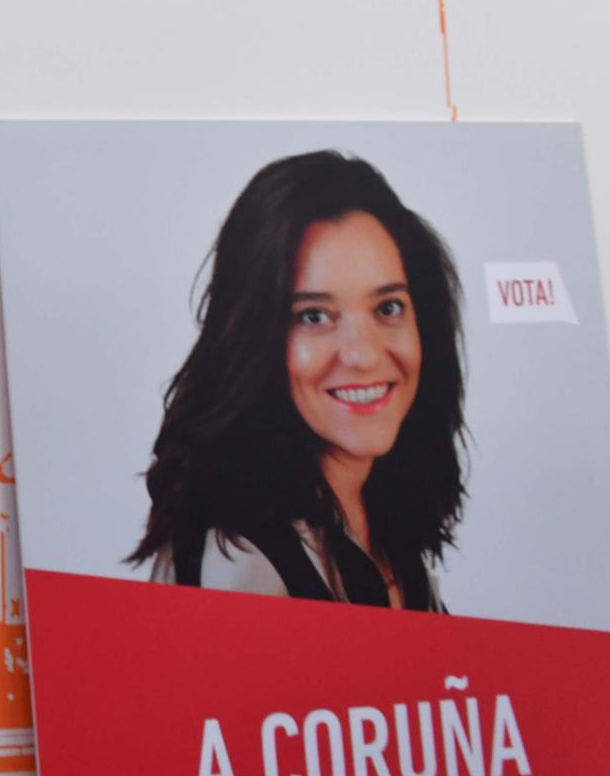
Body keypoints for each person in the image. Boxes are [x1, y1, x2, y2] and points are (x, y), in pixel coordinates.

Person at [132, 150, 465, 611]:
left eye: (388, 307)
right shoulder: (249, 559)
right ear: (254, 336)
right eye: (314, 316)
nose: (365, 354)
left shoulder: (382, 531)